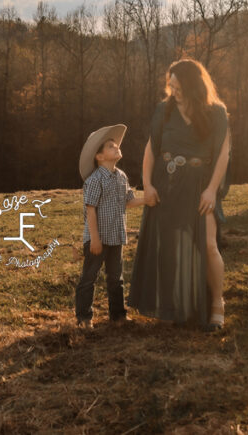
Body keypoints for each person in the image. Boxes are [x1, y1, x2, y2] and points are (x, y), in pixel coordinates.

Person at [128, 59, 230, 331]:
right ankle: (174, 306)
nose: (174, 91)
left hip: (200, 185)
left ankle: (217, 304)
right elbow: (152, 149)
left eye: (179, 86)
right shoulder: (164, 111)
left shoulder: (217, 112)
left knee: (207, 246)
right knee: (171, 246)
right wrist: (147, 184)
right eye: (170, 86)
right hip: (167, 183)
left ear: (193, 85)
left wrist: (211, 189)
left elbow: (223, 154)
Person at [74, 124, 145, 329]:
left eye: (116, 145)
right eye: (111, 147)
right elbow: (90, 210)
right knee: (89, 277)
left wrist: (147, 200)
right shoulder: (95, 180)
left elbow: (128, 201)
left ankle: (118, 316)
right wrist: (94, 238)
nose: (116, 148)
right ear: (100, 157)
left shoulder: (121, 176)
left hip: (116, 236)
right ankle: (84, 318)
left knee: (116, 278)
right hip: (98, 237)